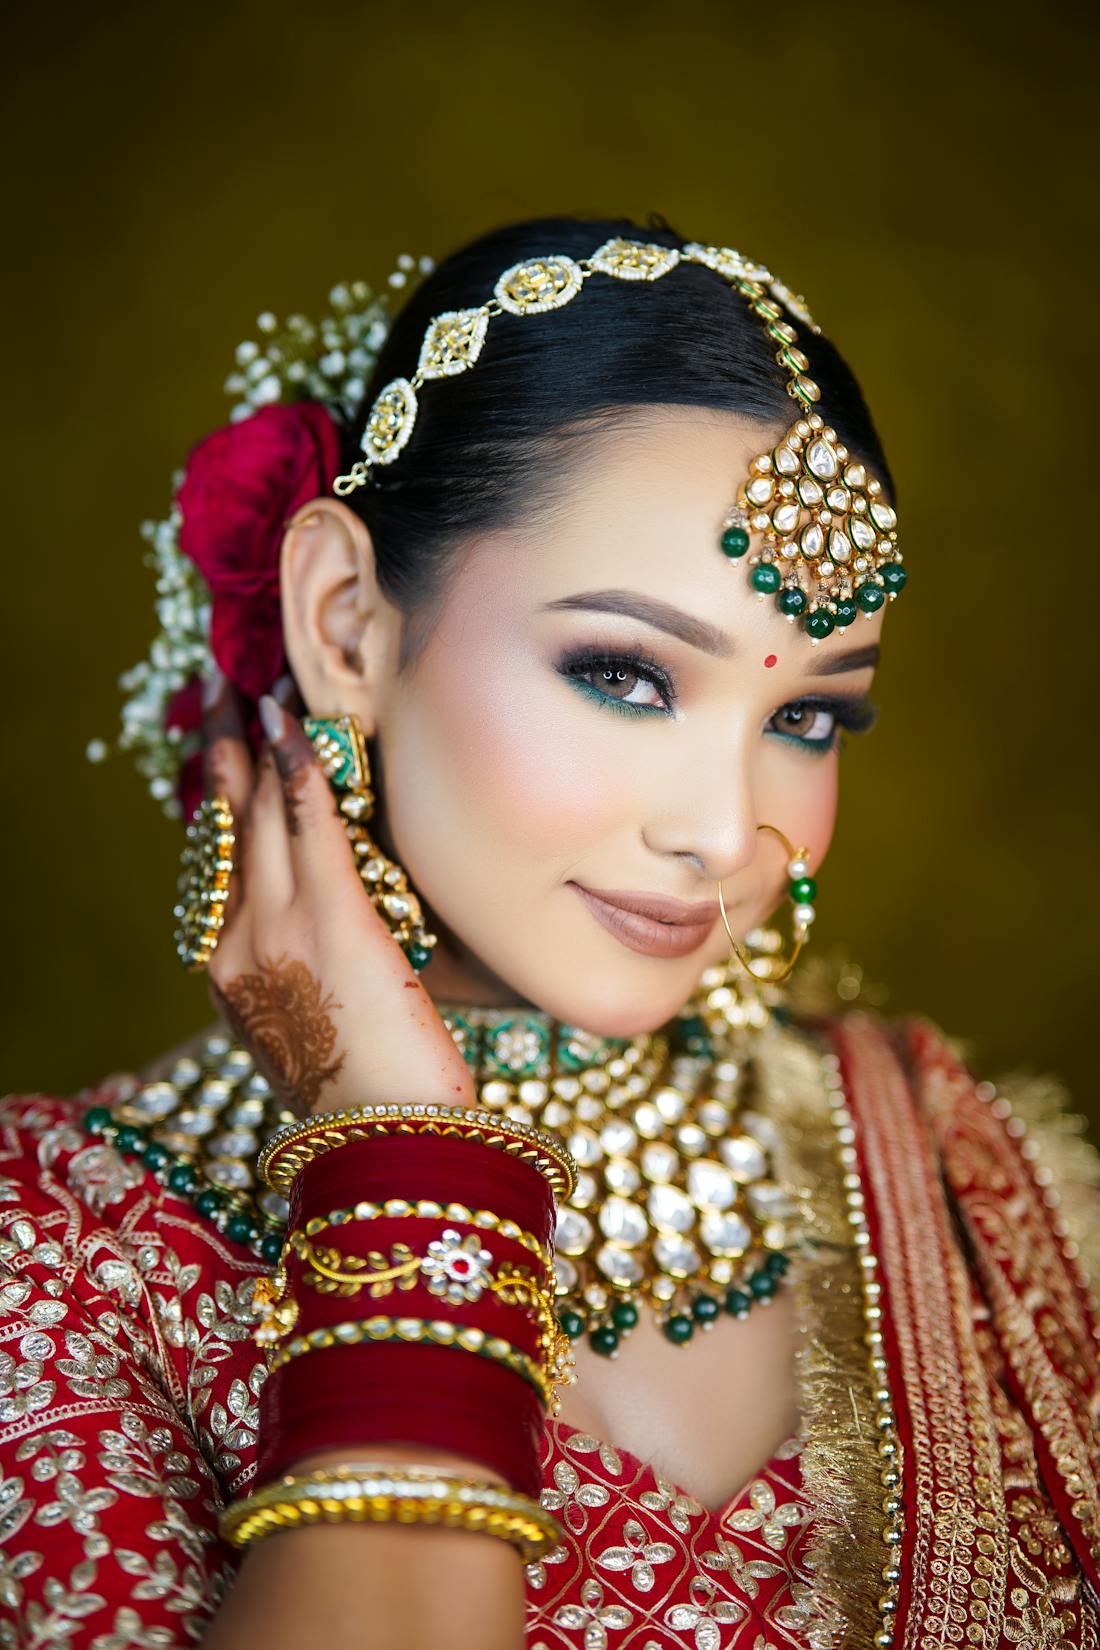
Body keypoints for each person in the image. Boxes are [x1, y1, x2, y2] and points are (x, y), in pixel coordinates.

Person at [2, 216, 1098, 1650]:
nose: (726, 831)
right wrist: (401, 1162)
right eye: (627, 674)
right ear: (342, 623)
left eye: (809, 714)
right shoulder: (60, 1245)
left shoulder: (942, 1156)